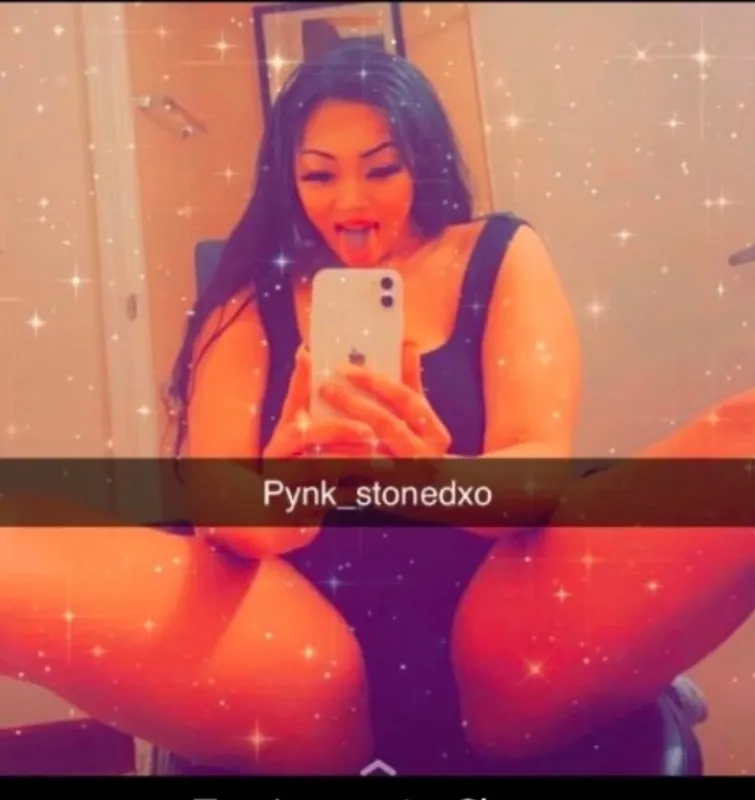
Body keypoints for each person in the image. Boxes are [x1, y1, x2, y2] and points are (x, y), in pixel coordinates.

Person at [0, 43, 753, 776]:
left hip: (505, 622)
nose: (351, 203)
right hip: (293, 646)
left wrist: (428, 479)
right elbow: (216, 503)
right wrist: (289, 498)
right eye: (319, 175)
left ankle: (624, 680)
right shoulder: (252, 294)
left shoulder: (497, 253)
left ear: (421, 160)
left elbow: (536, 472)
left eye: (382, 169)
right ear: (287, 179)